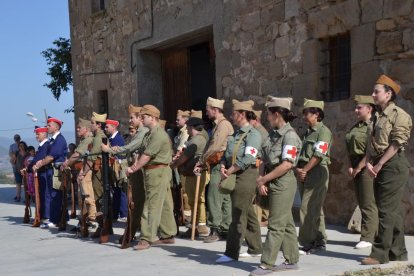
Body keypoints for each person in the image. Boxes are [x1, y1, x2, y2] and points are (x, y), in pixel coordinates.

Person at [361, 75, 412, 265]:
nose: (373, 95)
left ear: (389, 94)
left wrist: (380, 163)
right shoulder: (375, 116)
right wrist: (368, 161)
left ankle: (379, 253)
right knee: (393, 210)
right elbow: (371, 143)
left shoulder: (399, 115)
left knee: (385, 211)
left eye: (377, 91)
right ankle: (398, 252)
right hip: (378, 163)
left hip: (392, 164)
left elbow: (398, 142)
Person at [250, 96, 302, 275]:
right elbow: (264, 158)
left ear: (277, 114)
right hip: (272, 179)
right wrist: (262, 178)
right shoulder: (272, 134)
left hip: (284, 182)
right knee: (286, 222)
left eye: (269, 114)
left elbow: (287, 164)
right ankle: (292, 259)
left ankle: (267, 263)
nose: (267, 117)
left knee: (275, 224)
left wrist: (264, 180)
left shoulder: (290, 136)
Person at [216, 99, 262, 264]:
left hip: (246, 174)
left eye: (234, 113)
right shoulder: (235, 134)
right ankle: (256, 247)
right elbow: (225, 155)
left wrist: (230, 170)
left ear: (242, 115)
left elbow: (249, 157)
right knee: (247, 211)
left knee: (237, 213)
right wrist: (222, 165)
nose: (231, 116)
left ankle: (231, 252)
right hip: (234, 173)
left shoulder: (254, 135)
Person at [126, 105, 176, 250]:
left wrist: (133, 168)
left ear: (153, 118)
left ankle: (146, 238)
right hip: (155, 172)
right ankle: (167, 235)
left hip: (157, 171)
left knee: (151, 205)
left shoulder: (158, 134)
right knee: (165, 203)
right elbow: (142, 152)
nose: (141, 118)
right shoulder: (150, 133)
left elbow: (147, 156)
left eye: (144, 116)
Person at [102, 104, 149, 245]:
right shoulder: (139, 132)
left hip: (140, 169)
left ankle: (146, 235)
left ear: (139, 118)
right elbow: (128, 149)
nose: (129, 121)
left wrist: (110, 150)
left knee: (141, 203)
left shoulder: (143, 131)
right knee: (138, 202)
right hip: (135, 168)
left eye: (131, 118)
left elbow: (131, 148)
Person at [194, 97, 234, 243]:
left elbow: (215, 146)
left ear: (215, 110)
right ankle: (225, 228)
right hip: (219, 163)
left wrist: (202, 160)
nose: (206, 112)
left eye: (208, 109)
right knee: (223, 198)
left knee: (214, 196)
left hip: (220, 163)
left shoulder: (223, 125)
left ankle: (216, 229)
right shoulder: (218, 125)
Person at [296, 98, 332, 254]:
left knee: (307, 207)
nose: (304, 116)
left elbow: (319, 154)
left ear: (317, 114)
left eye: (307, 113)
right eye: (304, 113)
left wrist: (305, 170)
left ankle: (308, 241)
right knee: (316, 208)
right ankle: (320, 240)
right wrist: (299, 169)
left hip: (317, 171)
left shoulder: (323, 131)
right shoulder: (306, 133)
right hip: (305, 171)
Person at [345, 95, 378, 249]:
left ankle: (368, 236)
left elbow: (371, 150)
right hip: (356, 165)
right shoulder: (357, 126)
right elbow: (350, 147)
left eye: (359, 107)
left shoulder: (373, 125)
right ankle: (370, 234)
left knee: (368, 202)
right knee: (362, 200)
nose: (356, 110)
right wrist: (351, 166)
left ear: (369, 109)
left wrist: (359, 167)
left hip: (367, 165)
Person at [171, 117, 209, 238]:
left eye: (187, 127)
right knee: (195, 199)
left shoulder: (195, 141)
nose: (186, 129)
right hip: (194, 173)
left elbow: (184, 157)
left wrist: (174, 164)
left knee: (196, 199)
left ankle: (200, 225)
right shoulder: (198, 139)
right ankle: (196, 225)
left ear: (192, 127)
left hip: (196, 174)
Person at [34, 117, 68, 228]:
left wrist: (40, 163)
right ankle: (61, 218)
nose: (47, 127)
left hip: (56, 171)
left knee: (55, 195)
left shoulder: (59, 139)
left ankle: (54, 220)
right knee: (55, 195)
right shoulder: (54, 139)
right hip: (52, 170)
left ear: (56, 126)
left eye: (49, 125)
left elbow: (51, 157)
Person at [62, 118, 96, 224]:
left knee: (87, 195)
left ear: (86, 129)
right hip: (84, 169)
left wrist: (66, 163)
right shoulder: (85, 139)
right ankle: (85, 219)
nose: (77, 129)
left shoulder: (88, 139)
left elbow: (77, 154)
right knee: (83, 196)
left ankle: (91, 218)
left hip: (87, 169)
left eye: (79, 128)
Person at [250, 109, 270, 227]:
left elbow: (262, 153)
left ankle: (260, 219)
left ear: (256, 120)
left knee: (257, 192)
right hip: (259, 164)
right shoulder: (257, 131)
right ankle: (262, 218)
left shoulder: (260, 133)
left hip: (259, 165)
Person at [105, 119, 127, 222]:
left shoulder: (117, 139)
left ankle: (123, 213)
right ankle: (117, 212)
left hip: (118, 167)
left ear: (113, 127)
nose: (105, 129)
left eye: (107, 127)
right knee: (116, 190)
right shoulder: (112, 138)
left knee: (120, 189)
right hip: (114, 166)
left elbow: (118, 154)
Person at [89, 112, 107, 237]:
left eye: (92, 123)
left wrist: (83, 172)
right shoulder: (100, 136)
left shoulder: (98, 138)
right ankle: (105, 226)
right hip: (100, 171)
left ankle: (102, 227)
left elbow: (92, 157)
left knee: (99, 199)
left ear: (99, 125)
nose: (91, 125)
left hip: (99, 172)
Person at [27, 126, 50, 224]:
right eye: (36, 134)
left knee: (46, 194)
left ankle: (47, 216)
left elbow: (38, 159)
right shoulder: (42, 145)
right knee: (43, 194)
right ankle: (43, 215)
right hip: (41, 172)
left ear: (44, 134)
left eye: (38, 134)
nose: (36, 136)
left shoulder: (46, 145)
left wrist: (28, 168)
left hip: (45, 172)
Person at [9, 134, 21, 201]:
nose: (16, 139)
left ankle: (28, 196)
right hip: (15, 166)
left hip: (22, 166)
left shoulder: (22, 145)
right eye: (15, 138)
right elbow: (10, 154)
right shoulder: (12, 146)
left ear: (20, 138)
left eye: (17, 138)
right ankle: (18, 196)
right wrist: (14, 158)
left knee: (25, 183)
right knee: (18, 182)